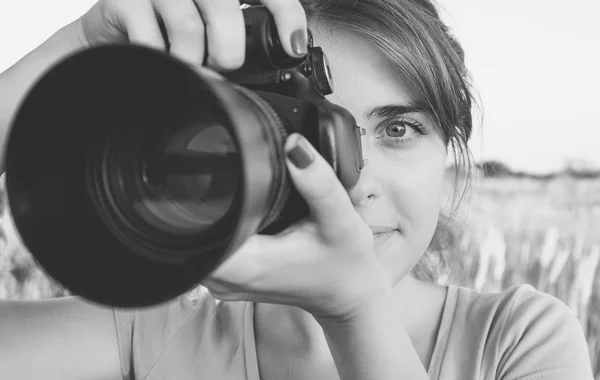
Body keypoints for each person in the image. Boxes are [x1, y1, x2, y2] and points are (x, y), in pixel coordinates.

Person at [0, 0, 594, 379]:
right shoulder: (150, 329)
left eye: (398, 129)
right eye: (302, 129)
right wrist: (78, 45)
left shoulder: (517, 338)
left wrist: (354, 310)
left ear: (451, 155)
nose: (351, 180)